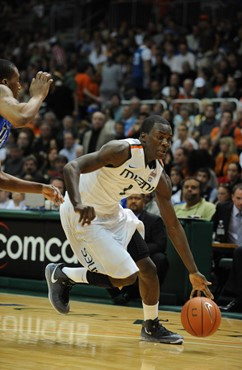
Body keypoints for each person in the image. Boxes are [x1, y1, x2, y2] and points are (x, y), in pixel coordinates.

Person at [45, 115, 213, 345]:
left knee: (148, 268)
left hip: (113, 213)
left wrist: (193, 271)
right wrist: (77, 203)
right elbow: (72, 167)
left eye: (168, 139)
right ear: (143, 137)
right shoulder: (121, 150)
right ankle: (63, 275)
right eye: (159, 137)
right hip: (82, 213)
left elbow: (173, 225)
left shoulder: (159, 178)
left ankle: (151, 326)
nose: (165, 143)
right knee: (125, 277)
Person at [0, 59, 63, 205]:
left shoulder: (5, 117)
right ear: (5, 82)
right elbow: (22, 117)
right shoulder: (0, 90)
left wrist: (41, 188)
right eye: (17, 81)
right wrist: (38, 95)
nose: (20, 87)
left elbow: (1, 179)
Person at [108, 193, 168, 305]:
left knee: (160, 259)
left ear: (144, 201)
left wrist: (137, 251)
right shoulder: (118, 219)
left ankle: (146, 296)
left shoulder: (154, 220)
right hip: (122, 253)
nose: (133, 201)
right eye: (130, 198)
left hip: (144, 255)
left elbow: (160, 244)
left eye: (137, 198)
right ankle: (117, 294)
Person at [212, 183, 242, 312]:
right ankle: (214, 293)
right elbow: (212, 226)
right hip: (226, 249)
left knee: (240, 252)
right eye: (238, 198)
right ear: (232, 197)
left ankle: (235, 297)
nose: (241, 202)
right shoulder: (222, 208)